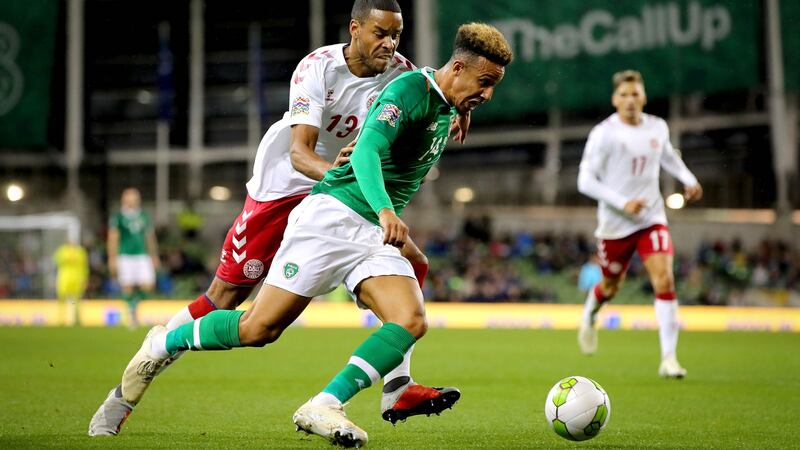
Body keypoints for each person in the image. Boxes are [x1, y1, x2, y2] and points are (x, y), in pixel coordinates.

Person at [113, 22, 511, 447]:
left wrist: (462, 108)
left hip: (370, 232)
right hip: (332, 220)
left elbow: (445, 97)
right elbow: (368, 150)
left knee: (412, 317)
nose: (487, 95)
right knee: (257, 329)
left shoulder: (448, 98)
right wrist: (385, 210)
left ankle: (337, 400)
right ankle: (164, 341)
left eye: (492, 87)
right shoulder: (407, 92)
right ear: (457, 68)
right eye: (483, 83)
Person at [576, 69, 703, 378]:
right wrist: (622, 202)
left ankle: (669, 359)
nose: (630, 100)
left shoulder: (657, 126)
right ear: (614, 100)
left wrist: (688, 178)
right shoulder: (603, 133)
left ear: (644, 97)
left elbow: (667, 156)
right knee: (611, 285)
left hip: (651, 217)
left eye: (635, 94)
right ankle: (591, 313)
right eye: (624, 95)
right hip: (615, 224)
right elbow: (585, 181)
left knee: (664, 280)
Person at [107, 187, 160, 329]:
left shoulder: (144, 215)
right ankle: (132, 315)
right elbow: (113, 237)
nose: (134, 201)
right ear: (124, 200)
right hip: (125, 256)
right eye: (130, 198)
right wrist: (112, 257)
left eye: (136, 198)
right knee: (128, 286)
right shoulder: (118, 217)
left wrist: (154, 255)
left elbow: (149, 237)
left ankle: (133, 306)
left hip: (142, 255)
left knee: (148, 285)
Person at [53, 236, 88, 326]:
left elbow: (85, 266)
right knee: (62, 298)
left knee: (76, 299)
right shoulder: (62, 250)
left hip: (77, 278)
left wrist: (85, 279)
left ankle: (77, 319)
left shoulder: (80, 251)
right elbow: (56, 260)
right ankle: (61, 319)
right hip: (64, 278)